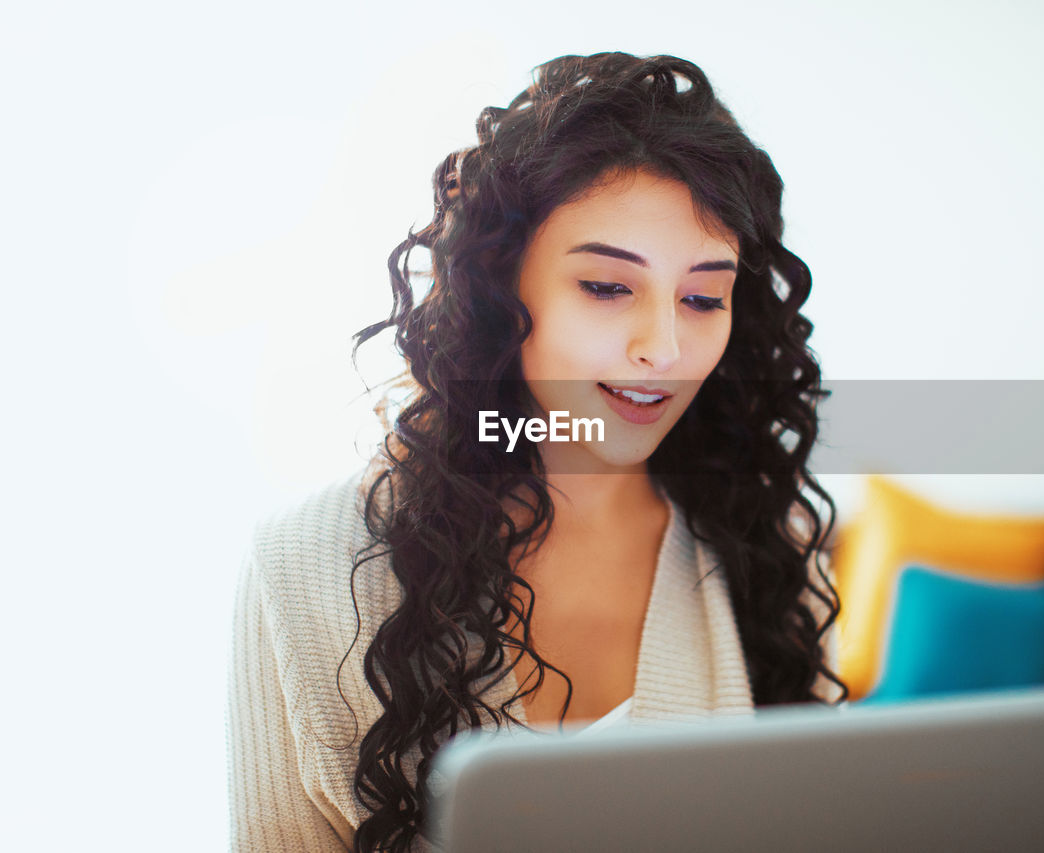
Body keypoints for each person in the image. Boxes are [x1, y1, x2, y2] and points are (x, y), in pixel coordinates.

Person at [227, 51, 846, 853]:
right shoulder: (301, 566)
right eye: (607, 287)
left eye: (701, 298)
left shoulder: (773, 542)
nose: (663, 347)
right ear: (502, 289)